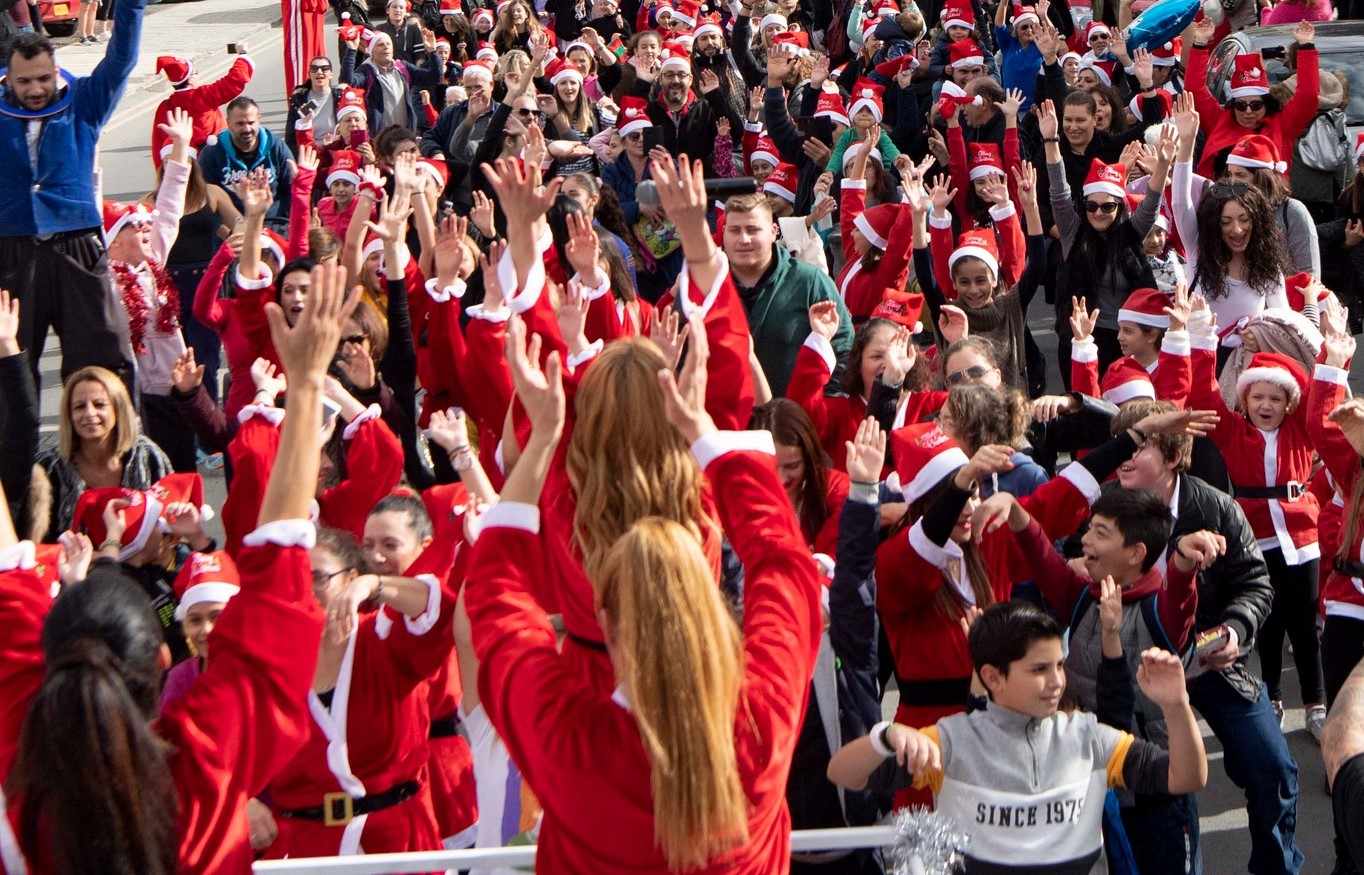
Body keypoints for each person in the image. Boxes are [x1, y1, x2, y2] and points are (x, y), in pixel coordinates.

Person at [0, 261, 351, 873]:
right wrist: (308, 384)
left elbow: (9, 590)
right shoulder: (201, 769)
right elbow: (277, 593)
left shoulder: (24, 776)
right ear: (163, 661)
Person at [464, 287, 824, 873]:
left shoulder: (570, 742)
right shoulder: (762, 718)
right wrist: (707, 437)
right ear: (709, 601)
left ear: (608, 619)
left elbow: (497, 605)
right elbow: (784, 563)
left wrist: (543, 441)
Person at [828, 601, 1208, 873]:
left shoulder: (1091, 736)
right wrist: (884, 738)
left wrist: (1177, 705)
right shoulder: (949, 741)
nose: (1058, 681)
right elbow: (843, 774)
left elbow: (1187, 778)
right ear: (993, 677)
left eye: (1059, 665)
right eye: (1039, 669)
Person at [1109, 397, 1303, 875]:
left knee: (1273, 767)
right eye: (1123, 446)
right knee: (1161, 795)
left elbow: (1255, 582)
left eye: (1142, 446)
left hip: (1208, 660)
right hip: (1136, 671)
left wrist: (1235, 630)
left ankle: (1277, 866)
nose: (1126, 458)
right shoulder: (1100, 511)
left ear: (1173, 457)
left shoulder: (1215, 507)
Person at [0, 9, 149, 397]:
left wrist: (131, 5)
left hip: (77, 247)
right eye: (24, 81)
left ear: (56, 71)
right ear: (8, 79)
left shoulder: (83, 102)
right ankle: (16, 458)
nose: (35, 90)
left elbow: (121, 59)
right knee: (7, 371)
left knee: (103, 362)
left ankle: (112, 454)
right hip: (12, 252)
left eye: (44, 79)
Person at [720, 191, 853, 396]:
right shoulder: (708, 287)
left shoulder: (810, 282)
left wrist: (826, 410)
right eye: (735, 230)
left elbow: (844, 351)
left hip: (794, 421)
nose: (744, 239)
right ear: (723, 232)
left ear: (774, 231)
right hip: (724, 424)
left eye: (753, 229)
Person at [33, 366, 173, 542]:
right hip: (72, 567)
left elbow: (171, 530)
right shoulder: (47, 469)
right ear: (69, 415)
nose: (89, 413)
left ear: (117, 408)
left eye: (99, 405)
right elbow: (35, 544)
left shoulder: (148, 456)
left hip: (145, 565)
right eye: (79, 407)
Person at [1186, 18, 1319, 180]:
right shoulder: (1220, 121)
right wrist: (1200, 43)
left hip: (1267, 202)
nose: (1248, 111)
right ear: (1233, 106)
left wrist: (1306, 47)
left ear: (1266, 104)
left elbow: (1308, 95)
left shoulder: (1282, 125)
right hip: (1222, 201)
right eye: (1241, 106)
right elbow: (1195, 90)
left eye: (1255, 105)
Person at [197, 97, 298, 222]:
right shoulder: (212, 153)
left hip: (273, 224)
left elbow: (293, 191)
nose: (247, 129)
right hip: (234, 227)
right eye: (240, 124)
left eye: (251, 123)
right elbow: (204, 199)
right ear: (228, 123)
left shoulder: (276, 147)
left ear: (259, 120)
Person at [150, 49, 255, 167]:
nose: (197, 75)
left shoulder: (165, 107)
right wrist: (243, 55)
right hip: (215, 159)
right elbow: (236, 79)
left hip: (183, 162)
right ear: (189, 79)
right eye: (195, 73)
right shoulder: (204, 95)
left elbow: (158, 143)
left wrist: (162, 171)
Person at [378, 0, 428, 64]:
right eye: (394, 7)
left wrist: (417, 71)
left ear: (405, 12)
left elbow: (419, 55)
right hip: (386, 70)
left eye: (401, 8)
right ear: (387, 10)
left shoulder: (413, 29)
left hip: (409, 70)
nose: (398, 10)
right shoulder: (380, 29)